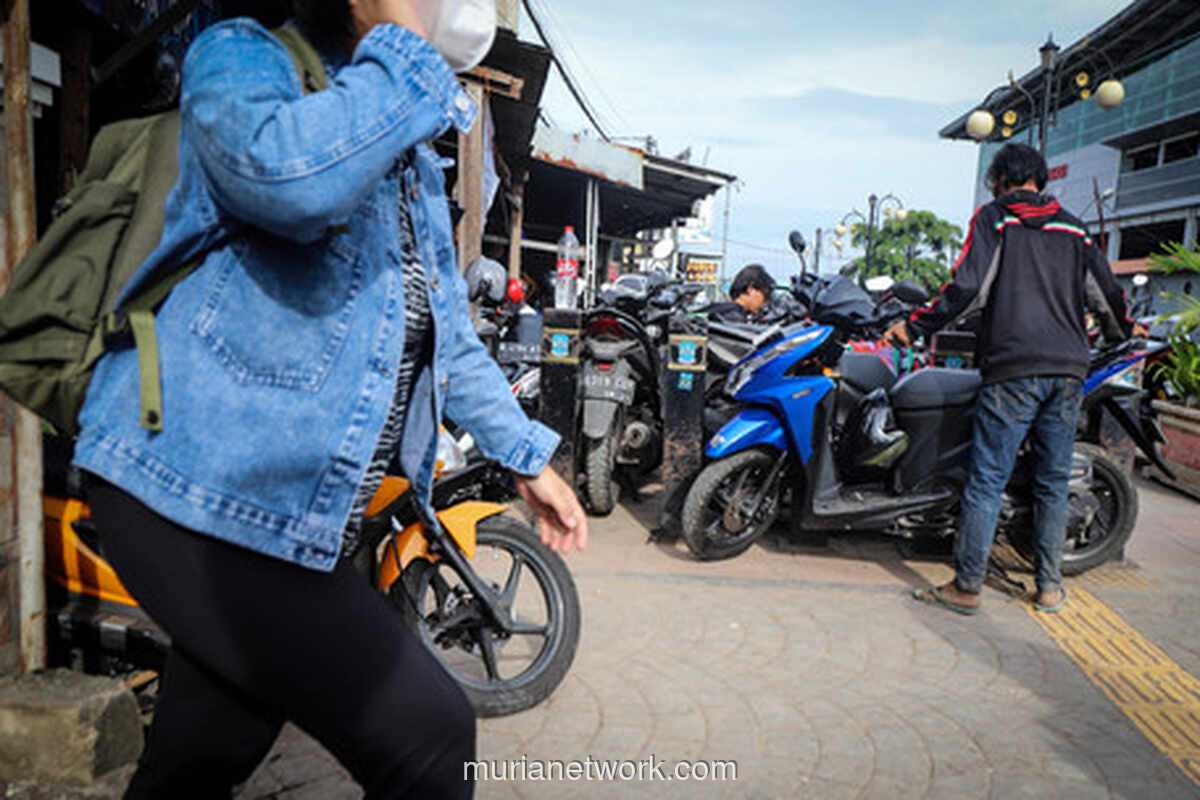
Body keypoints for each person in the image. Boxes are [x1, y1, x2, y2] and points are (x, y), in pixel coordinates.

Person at [71, 1, 587, 797]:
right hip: (192, 485)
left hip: (286, 512)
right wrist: (406, 48)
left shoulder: (405, 142)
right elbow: (289, 183)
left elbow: (444, 328)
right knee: (429, 729)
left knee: (204, 751)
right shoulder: (243, 58)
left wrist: (524, 457)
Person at [885, 142, 1136, 616]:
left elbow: (966, 287)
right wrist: (1120, 333)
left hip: (1013, 368)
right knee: (1052, 480)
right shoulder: (1075, 229)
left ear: (1001, 180)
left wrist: (915, 326)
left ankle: (969, 587)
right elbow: (1107, 296)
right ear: (1040, 180)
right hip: (1067, 370)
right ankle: (1048, 587)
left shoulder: (996, 218)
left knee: (986, 479)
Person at [707, 263, 776, 323]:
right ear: (750, 289)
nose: (765, 302)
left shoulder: (718, 310)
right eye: (766, 295)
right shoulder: (734, 318)